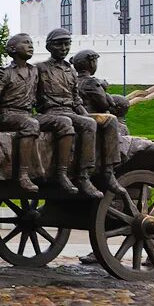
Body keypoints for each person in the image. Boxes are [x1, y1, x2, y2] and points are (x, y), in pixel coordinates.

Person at [36, 28, 123, 198]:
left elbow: (76, 100)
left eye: (67, 44)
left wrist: (86, 115)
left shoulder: (71, 71)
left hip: (71, 111)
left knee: (110, 120)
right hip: (51, 112)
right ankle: (83, 176)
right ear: (49, 47)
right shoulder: (40, 68)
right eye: (59, 44)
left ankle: (108, 172)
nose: (63, 48)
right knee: (88, 123)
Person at [0, 33, 59, 193]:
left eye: (31, 42)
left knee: (62, 122)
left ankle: (60, 172)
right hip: (7, 115)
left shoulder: (35, 71)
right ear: (12, 49)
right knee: (31, 124)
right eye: (25, 43)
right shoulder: (5, 72)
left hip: (28, 113)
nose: (30, 45)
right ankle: (23, 175)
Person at [72, 49, 130, 135]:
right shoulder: (92, 83)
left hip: (77, 115)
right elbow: (104, 105)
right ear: (92, 63)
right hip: (90, 115)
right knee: (114, 119)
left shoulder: (73, 81)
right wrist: (106, 94)